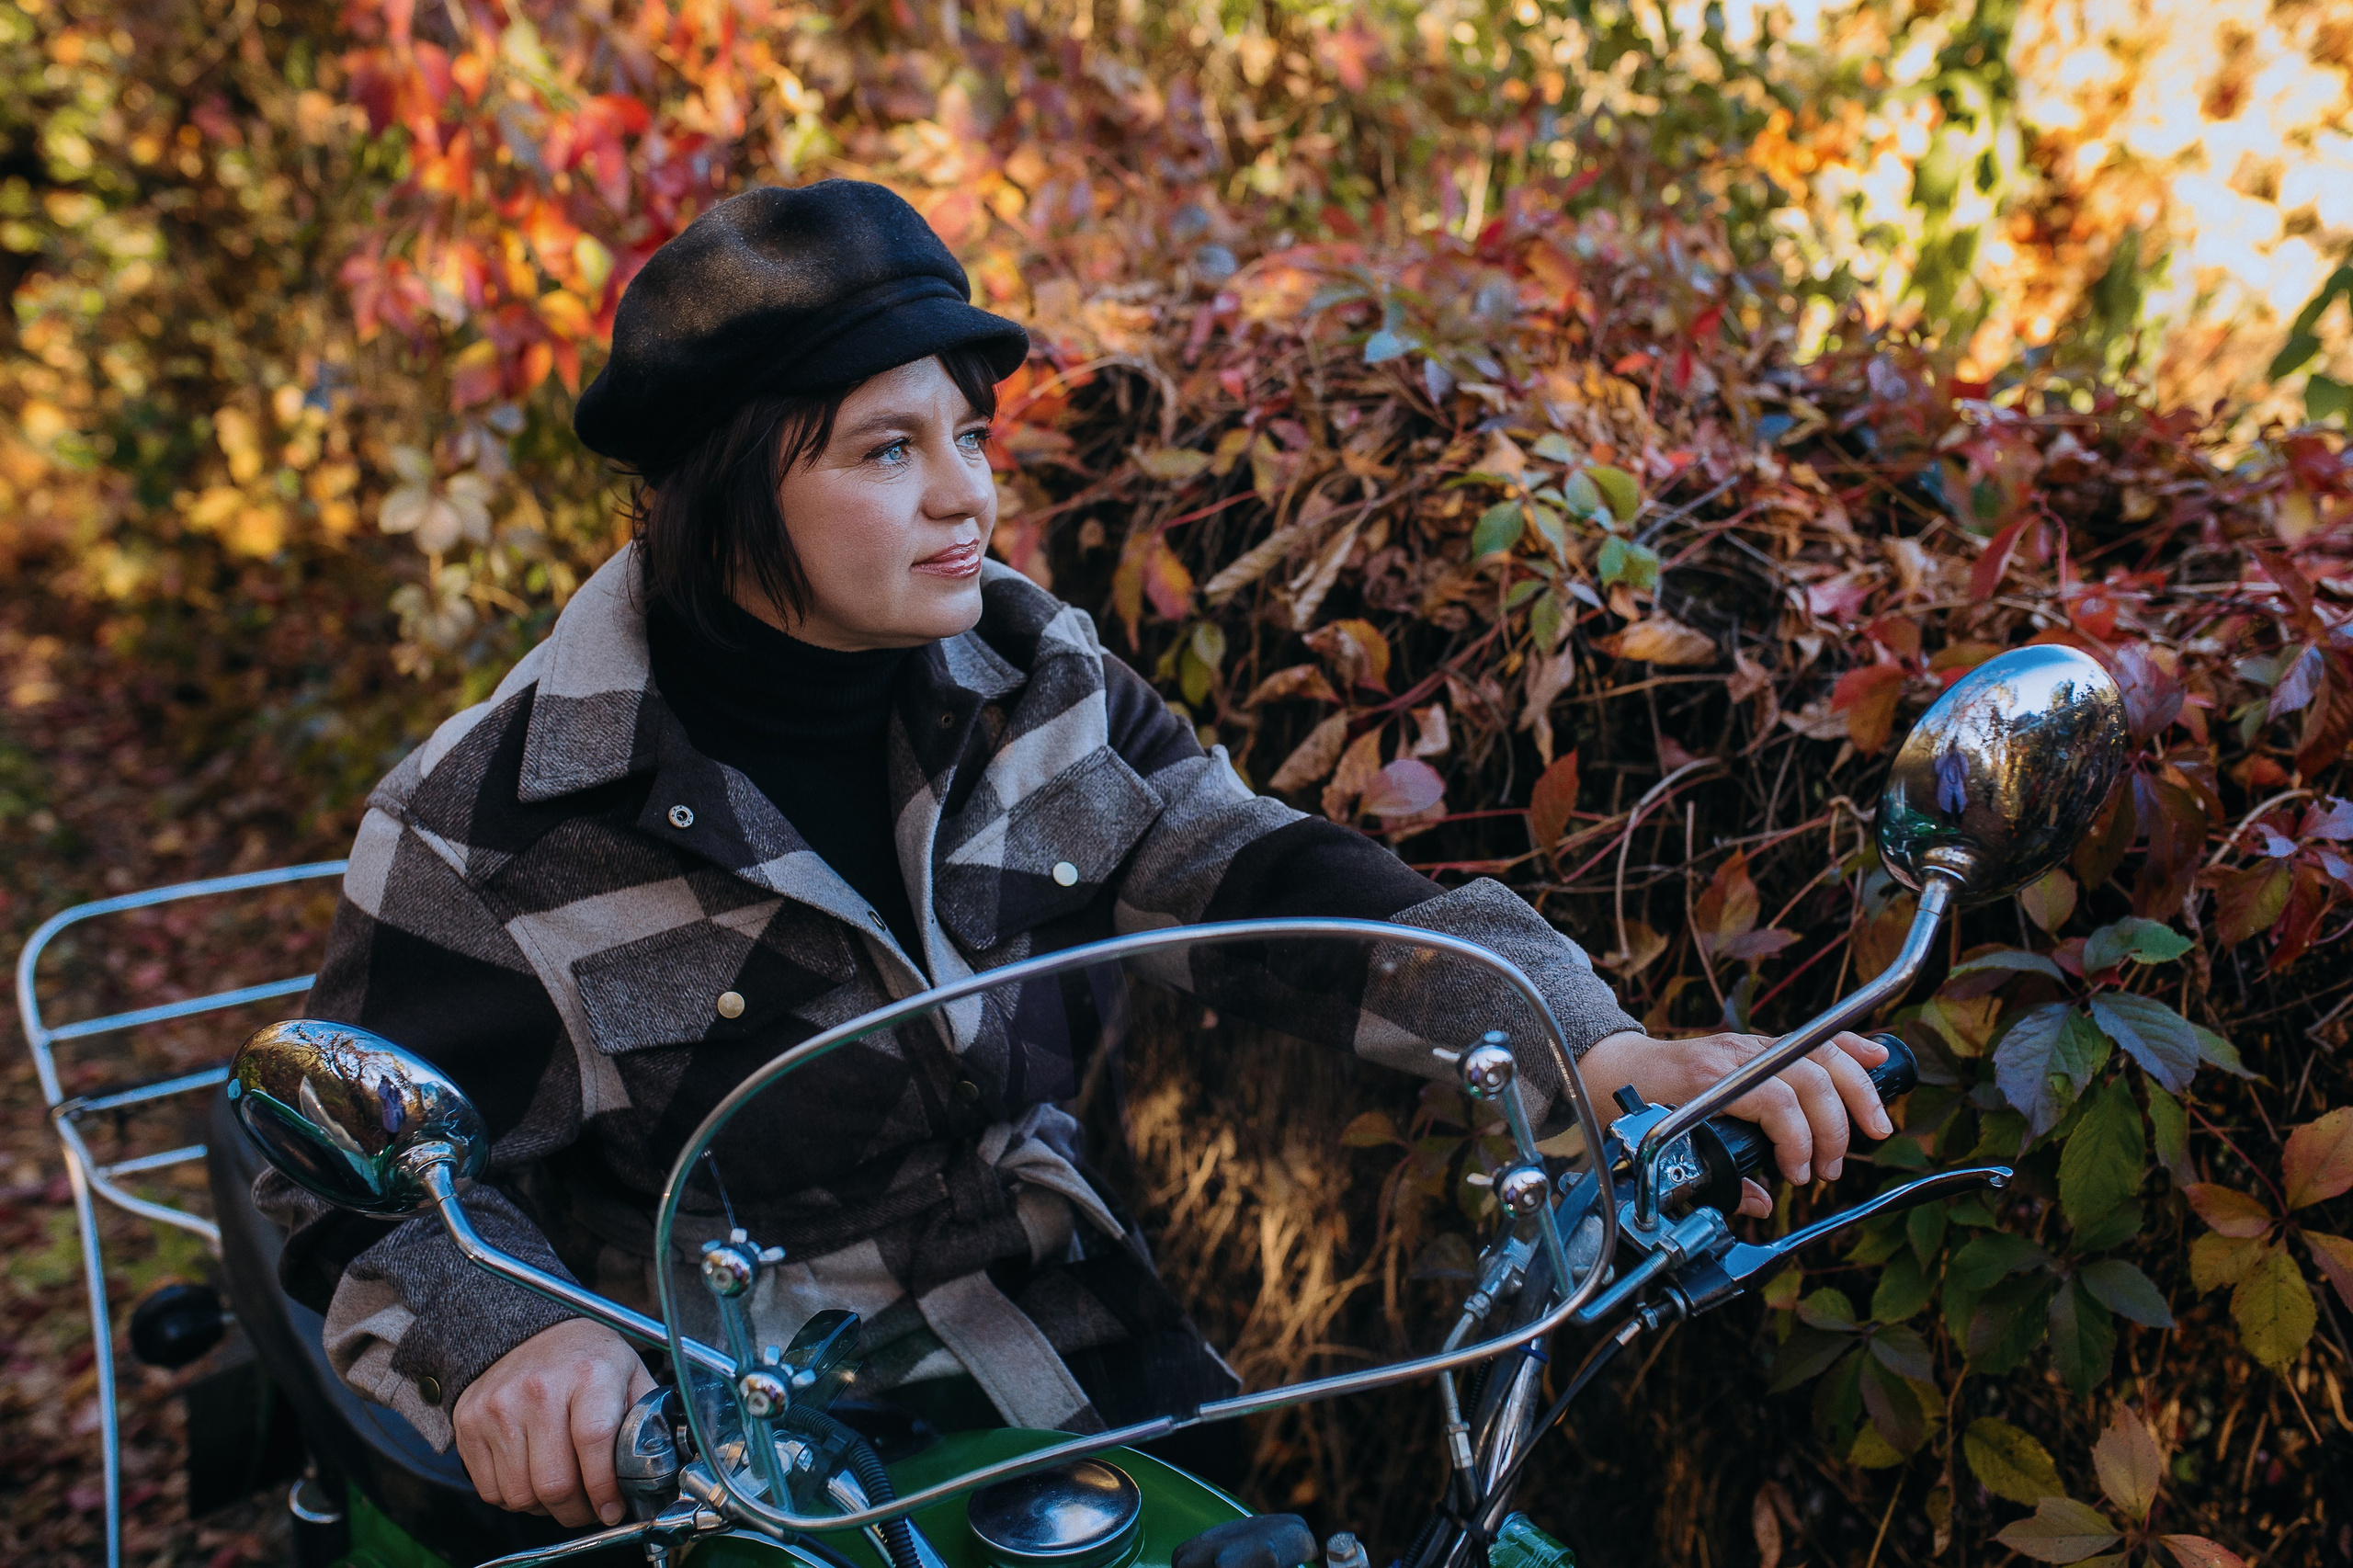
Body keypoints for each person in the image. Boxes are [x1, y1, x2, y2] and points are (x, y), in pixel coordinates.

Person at [256, 179, 1895, 1533]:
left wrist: (1587, 1045)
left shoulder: (1030, 673)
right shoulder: (489, 818)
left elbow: (1262, 876)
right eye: (886, 449)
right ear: (722, 484)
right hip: (736, 1465)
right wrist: (517, 1337)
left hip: (1096, 1362)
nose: (966, 496)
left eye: (969, 436)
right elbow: (343, 1185)